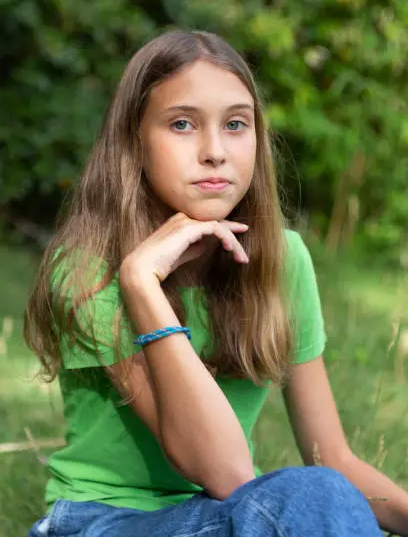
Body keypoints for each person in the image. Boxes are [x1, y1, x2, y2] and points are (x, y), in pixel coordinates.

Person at [24, 30, 407, 537]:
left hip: (222, 516)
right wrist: (140, 284)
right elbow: (223, 470)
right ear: (134, 142)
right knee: (312, 496)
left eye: (235, 124)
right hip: (102, 521)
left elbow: (331, 456)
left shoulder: (284, 259)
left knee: (323, 495)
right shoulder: (86, 269)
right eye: (182, 124)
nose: (214, 151)